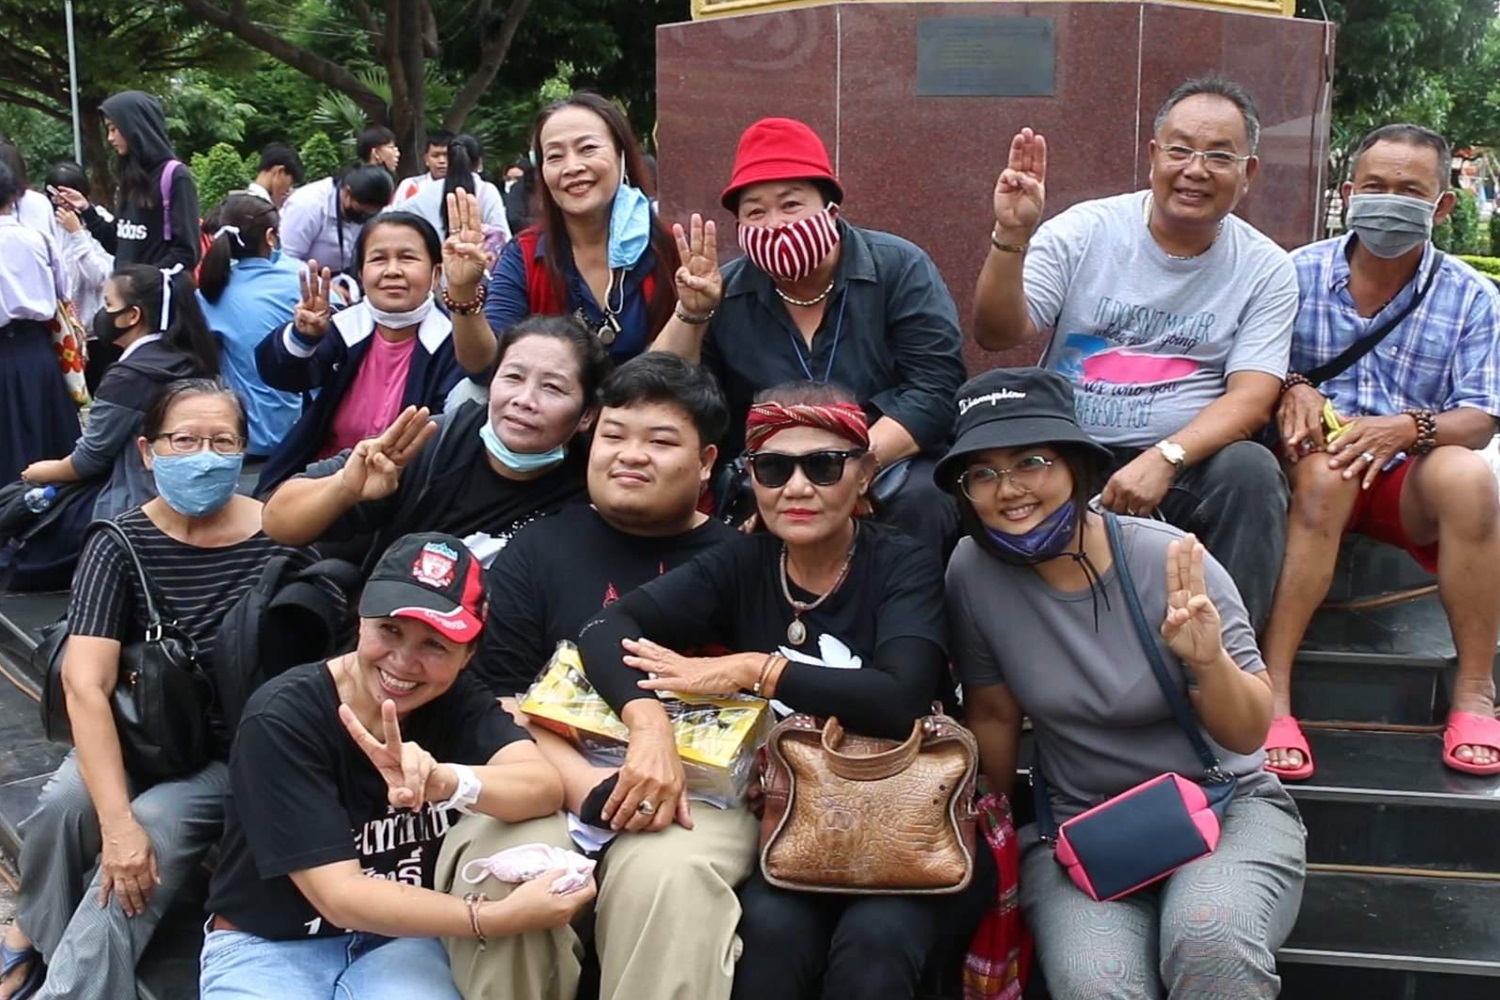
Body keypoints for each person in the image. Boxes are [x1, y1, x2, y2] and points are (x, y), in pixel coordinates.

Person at [569, 381, 992, 1000]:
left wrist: (755, 670)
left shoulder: (902, 562)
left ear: (864, 473)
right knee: (769, 937)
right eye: (773, 468)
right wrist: (648, 724)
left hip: (912, 824)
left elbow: (900, 698)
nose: (796, 487)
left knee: (874, 946)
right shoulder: (742, 562)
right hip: (795, 826)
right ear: (752, 478)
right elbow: (605, 628)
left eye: (823, 466)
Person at [939, 366, 1305, 1000]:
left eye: (1030, 462)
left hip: (1225, 806)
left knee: (1209, 933)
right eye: (983, 473)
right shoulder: (972, 572)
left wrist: (1208, 662)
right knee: (1097, 981)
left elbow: (1250, 734)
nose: (1009, 490)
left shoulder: (1168, 558)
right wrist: (986, 835)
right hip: (1081, 827)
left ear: (1076, 466)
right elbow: (994, 715)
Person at [0, 380, 333, 1000]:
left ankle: (66, 988)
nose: (204, 456)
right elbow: (85, 683)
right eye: (184, 440)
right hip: (140, 732)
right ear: (148, 452)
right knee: (65, 806)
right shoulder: (120, 541)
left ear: (243, 451)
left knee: (148, 834)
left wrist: (129, 832)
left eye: (222, 441)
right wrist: (113, 823)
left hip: (230, 753)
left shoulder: (281, 537)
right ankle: (33, 934)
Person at [438, 352, 742, 1000]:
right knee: (507, 864)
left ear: (707, 461)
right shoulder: (539, 548)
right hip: (544, 774)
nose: (631, 455)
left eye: (660, 441)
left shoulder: (740, 561)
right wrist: (581, 784)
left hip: (696, 794)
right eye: (614, 434)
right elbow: (492, 697)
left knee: (666, 875)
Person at [198, 531, 590, 999]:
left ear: (468, 655)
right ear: (361, 619)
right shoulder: (282, 715)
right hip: (269, 944)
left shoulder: (454, 700)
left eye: (435, 644)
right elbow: (340, 896)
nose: (404, 662)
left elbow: (542, 786)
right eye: (390, 629)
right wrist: (490, 918)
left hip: (402, 941)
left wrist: (449, 781)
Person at [970, 76, 1298, 631]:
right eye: (1180, 150)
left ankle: (1228, 660)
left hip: (1187, 464)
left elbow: (1252, 397)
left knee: (1252, 472)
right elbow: (997, 332)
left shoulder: (1266, 268)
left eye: (1219, 156)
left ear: (1249, 173)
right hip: (1070, 451)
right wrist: (1011, 236)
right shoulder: (1086, 231)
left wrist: (1166, 457)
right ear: (1152, 156)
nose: (1196, 170)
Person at [1260, 124, 1500, 780]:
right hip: (1312, 471)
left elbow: (1481, 418)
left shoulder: (1473, 296)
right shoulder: (1293, 274)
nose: (1389, 201)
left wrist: (1407, 429)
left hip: (1407, 478)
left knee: (1470, 477)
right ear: (1348, 194)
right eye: (1376, 186)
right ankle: (1273, 689)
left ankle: (1475, 690)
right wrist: (1294, 384)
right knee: (1326, 476)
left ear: (1441, 206)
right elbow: (1250, 367)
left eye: (1409, 191)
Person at [653, 116, 968, 556]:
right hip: (769, 470)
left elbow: (935, 388)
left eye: (791, 205)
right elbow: (663, 393)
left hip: (889, 460)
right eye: (756, 212)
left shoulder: (899, 267)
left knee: (923, 499)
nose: (775, 224)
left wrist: (848, 471)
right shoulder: (725, 291)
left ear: (830, 211)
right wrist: (691, 313)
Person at [261, 312, 607, 569]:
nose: (524, 399)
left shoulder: (596, 488)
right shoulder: (426, 444)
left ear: (587, 415)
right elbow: (278, 521)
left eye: (552, 387)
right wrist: (344, 488)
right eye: (513, 377)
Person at [253, 204, 494, 494]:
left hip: (403, 491)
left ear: (436, 272)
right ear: (360, 272)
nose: (392, 271)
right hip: (323, 482)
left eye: (407, 258)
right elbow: (283, 376)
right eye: (379, 259)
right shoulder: (341, 327)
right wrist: (303, 337)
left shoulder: (455, 342)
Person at [481, 93, 683, 364]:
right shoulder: (523, 255)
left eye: (588, 148)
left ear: (621, 155)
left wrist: (692, 313)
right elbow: (488, 365)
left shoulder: (670, 249)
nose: (572, 167)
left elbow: (686, 366)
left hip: (653, 389)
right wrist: (463, 298)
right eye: (555, 156)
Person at [22, 265, 219, 521]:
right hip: (197, 494)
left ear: (132, 315)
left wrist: (42, 472)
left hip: (136, 503)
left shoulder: (129, 377)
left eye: (108, 304)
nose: (102, 313)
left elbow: (90, 459)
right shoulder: (193, 359)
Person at [196, 192, 305, 460]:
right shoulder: (298, 279)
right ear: (270, 237)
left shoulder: (207, 293)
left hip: (238, 438)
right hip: (296, 434)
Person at [54, 91, 201, 269]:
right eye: (108, 130)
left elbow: (187, 253)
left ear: (135, 127)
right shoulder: (130, 178)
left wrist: (142, 280)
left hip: (155, 286)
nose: (110, 138)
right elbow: (119, 243)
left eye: (114, 129)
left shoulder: (176, 177)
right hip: (123, 286)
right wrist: (86, 209)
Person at [0, 160, 78, 487]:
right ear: (14, 196)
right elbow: (65, 291)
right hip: (37, 351)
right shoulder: (38, 238)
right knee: (48, 443)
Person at [277, 164, 395, 276]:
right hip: (306, 277)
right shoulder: (307, 206)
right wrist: (326, 284)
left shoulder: (375, 204)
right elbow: (287, 261)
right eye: (362, 213)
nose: (365, 218)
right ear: (347, 193)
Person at [390, 134, 510, 241]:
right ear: (479, 163)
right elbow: (502, 236)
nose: (441, 161)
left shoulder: (426, 192)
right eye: (435, 155)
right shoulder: (487, 191)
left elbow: (393, 221)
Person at [45, 161, 113, 331]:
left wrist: (77, 233)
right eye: (55, 196)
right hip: (60, 330)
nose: (62, 203)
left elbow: (98, 278)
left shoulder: (101, 222)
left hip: (95, 329)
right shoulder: (45, 225)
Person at [394, 131, 453, 203]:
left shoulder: (463, 187)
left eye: (447, 155)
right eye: (435, 156)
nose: (442, 161)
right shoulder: (411, 185)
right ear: (426, 159)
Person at [246, 143, 305, 209]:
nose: (289, 190)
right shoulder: (263, 209)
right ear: (280, 171)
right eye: (291, 183)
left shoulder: (243, 202)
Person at [502, 159, 532, 236]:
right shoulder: (499, 199)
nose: (512, 181)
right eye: (508, 178)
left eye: (517, 178)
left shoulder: (529, 200)